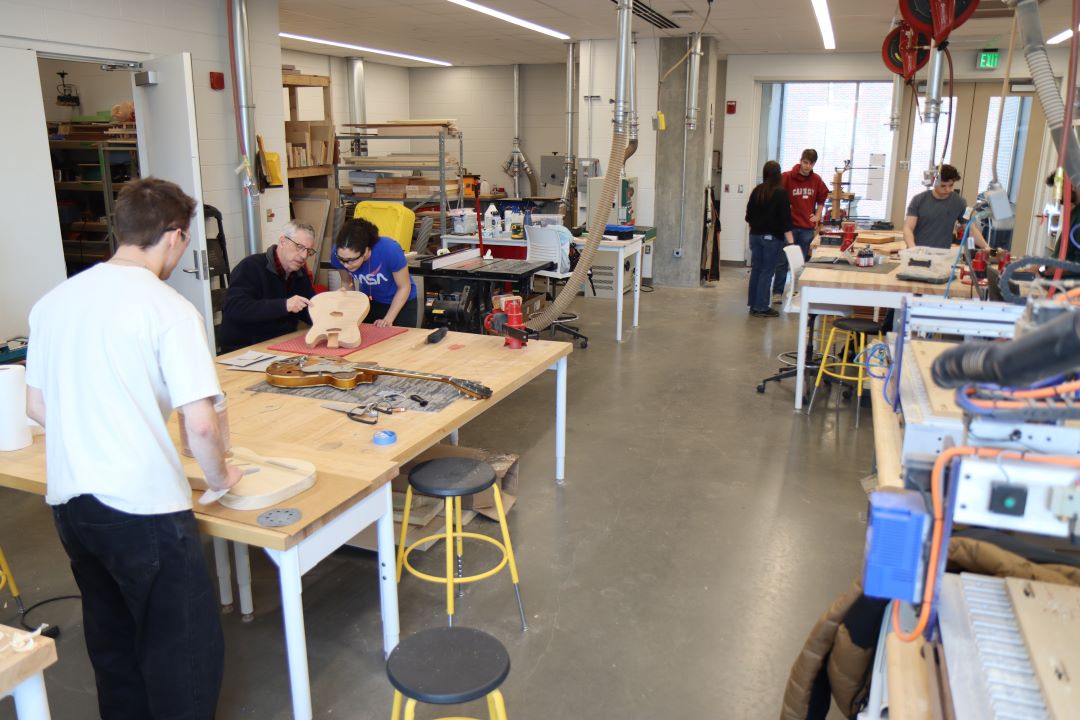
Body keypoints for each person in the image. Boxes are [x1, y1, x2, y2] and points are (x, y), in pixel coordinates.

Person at [25, 177, 242, 719]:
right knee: (182, 648)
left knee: (112, 637)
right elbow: (202, 426)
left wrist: (96, 427)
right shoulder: (168, 310)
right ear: (173, 236)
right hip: (143, 509)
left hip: (72, 504)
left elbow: (35, 405)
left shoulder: (53, 302)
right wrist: (220, 480)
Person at [218, 221, 317, 352]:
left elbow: (309, 308)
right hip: (244, 349)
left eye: (308, 251)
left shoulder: (299, 273)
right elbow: (235, 307)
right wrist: (284, 305)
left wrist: (331, 305)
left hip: (280, 344)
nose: (304, 256)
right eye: (299, 247)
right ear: (282, 241)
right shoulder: (250, 267)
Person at [330, 217, 418, 328]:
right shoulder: (338, 253)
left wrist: (388, 319)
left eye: (352, 260)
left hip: (400, 302)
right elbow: (347, 282)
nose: (346, 265)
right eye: (342, 260)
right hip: (369, 301)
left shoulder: (389, 249)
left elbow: (404, 287)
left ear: (366, 251)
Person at [773, 148, 829, 296]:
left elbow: (823, 196)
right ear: (800, 160)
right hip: (788, 227)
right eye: (805, 162)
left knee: (800, 263)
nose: (807, 166)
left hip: (806, 228)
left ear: (814, 164)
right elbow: (775, 192)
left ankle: (795, 291)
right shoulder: (787, 177)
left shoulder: (816, 180)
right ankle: (777, 292)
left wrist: (818, 215)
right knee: (782, 261)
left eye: (811, 163)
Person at [745, 160, 795, 317]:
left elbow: (748, 217)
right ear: (778, 174)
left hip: (755, 236)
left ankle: (754, 304)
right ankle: (761, 307)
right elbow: (786, 220)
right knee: (767, 272)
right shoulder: (780, 192)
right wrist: (792, 242)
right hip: (772, 239)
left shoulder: (756, 191)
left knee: (757, 270)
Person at [904, 164, 988, 250]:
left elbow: (971, 229)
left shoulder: (960, 202)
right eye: (943, 186)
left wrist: (986, 247)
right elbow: (908, 228)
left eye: (951, 185)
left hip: (942, 255)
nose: (948, 189)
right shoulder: (918, 200)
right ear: (934, 182)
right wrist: (912, 249)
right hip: (918, 252)